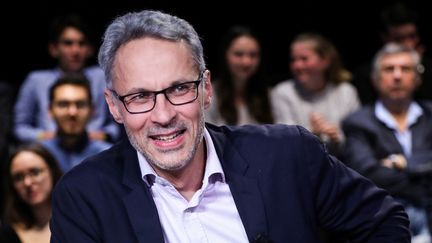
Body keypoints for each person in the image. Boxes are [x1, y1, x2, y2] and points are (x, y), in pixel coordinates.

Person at [50, 10, 410, 242]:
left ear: (206, 89)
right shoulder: (85, 196)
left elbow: (385, 224)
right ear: (114, 105)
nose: (162, 116)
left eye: (178, 89)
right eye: (140, 97)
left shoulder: (288, 155)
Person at [342, 43, 432, 242]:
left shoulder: (430, 114)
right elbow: (367, 173)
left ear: (417, 79)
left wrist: (403, 163)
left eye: (405, 69)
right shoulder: (358, 122)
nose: (397, 76)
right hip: (386, 218)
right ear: (375, 79)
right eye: (389, 69)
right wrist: (424, 183)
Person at [13, 14, 120, 143]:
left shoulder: (102, 77)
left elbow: (118, 122)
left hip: (95, 149)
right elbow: (19, 127)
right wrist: (48, 137)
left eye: (81, 43)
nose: (75, 50)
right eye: (68, 43)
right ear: (54, 49)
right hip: (49, 151)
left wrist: (102, 136)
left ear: (90, 49)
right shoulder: (36, 80)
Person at [271, 32, 360, 158]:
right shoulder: (283, 92)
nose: (297, 65)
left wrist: (336, 136)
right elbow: (283, 140)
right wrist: (312, 133)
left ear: (325, 61)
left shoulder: (346, 92)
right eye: (293, 60)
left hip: (343, 164)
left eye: (304, 59)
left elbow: (357, 139)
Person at [352, 2, 432, 104]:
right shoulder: (365, 74)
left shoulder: (428, 67)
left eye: (412, 36)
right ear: (384, 38)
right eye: (399, 39)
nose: (408, 44)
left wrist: (417, 66)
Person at [41, 73, 112, 172]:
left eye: (80, 104)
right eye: (63, 104)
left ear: (92, 110)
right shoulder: (38, 156)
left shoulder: (109, 157)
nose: (72, 112)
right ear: (50, 110)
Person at [205, 25, 273, 125]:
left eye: (253, 55)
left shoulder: (268, 95)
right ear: (225, 55)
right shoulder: (210, 96)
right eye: (239, 54)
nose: (246, 62)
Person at [0, 143, 62, 243]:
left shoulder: (78, 219)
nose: (27, 183)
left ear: (52, 171)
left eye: (35, 172)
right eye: (18, 177)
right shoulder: (6, 235)